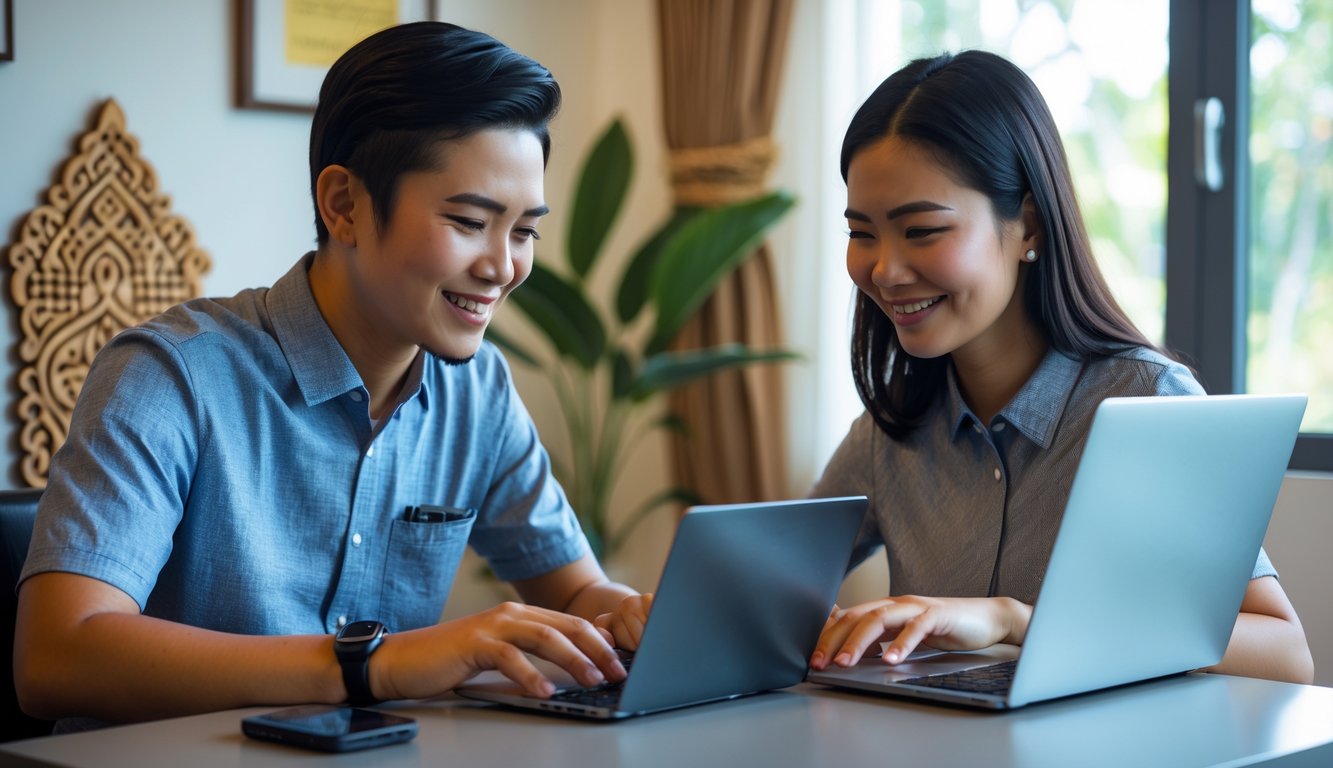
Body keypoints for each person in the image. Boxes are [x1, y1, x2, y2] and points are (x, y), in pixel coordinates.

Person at [15, 21, 651, 726]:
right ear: (343, 204)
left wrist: (634, 618)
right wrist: (373, 666)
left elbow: (575, 593)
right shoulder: (171, 376)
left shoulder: (478, 391)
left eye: (524, 231)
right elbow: (56, 659)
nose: (504, 268)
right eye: (470, 221)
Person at [807, 50, 1313, 684]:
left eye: (922, 231)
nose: (883, 270)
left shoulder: (1145, 401)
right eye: (862, 234)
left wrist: (1016, 620)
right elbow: (773, 597)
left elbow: (1285, 654)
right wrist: (648, 613)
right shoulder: (894, 426)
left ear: (1029, 226)